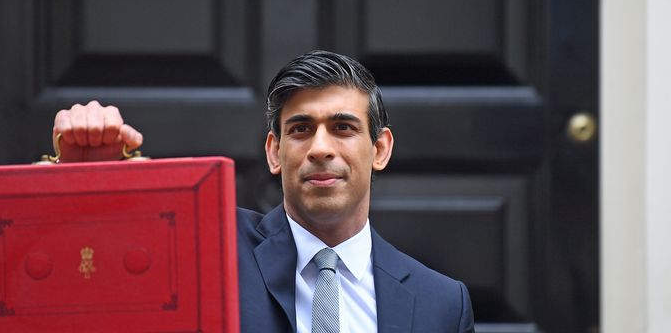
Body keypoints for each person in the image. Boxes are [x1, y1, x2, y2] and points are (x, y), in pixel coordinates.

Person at [52, 51, 475, 332]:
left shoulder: (441, 304)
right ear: (275, 152)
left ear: (379, 148)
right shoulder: (207, 245)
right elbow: (100, 280)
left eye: (343, 128)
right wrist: (90, 178)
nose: (321, 148)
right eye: (300, 129)